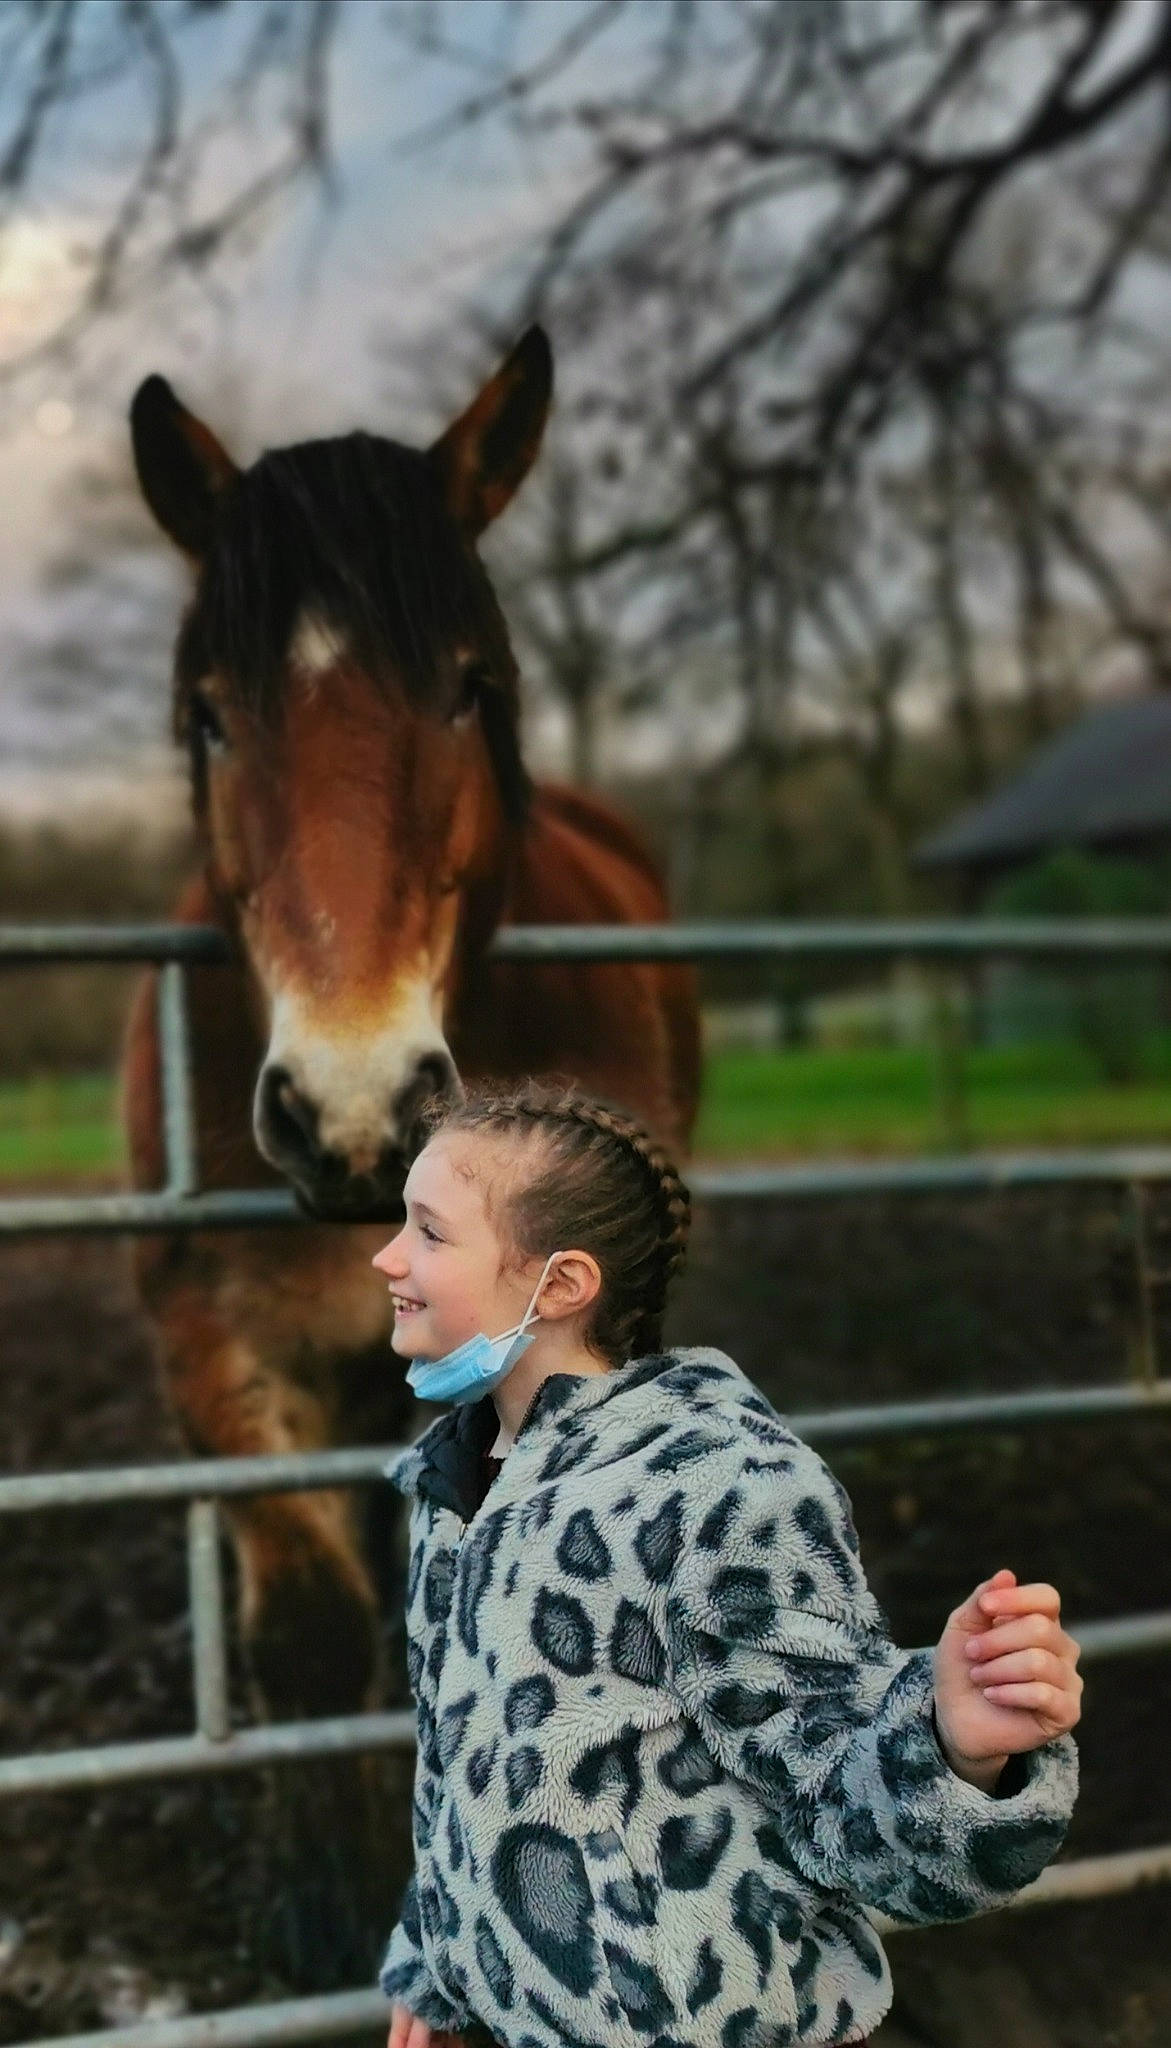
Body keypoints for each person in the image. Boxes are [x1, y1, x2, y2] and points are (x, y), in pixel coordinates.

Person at [371, 1082, 1081, 2048]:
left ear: (562, 1284)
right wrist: (438, 1954)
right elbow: (466, 1763)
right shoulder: (455, 1486)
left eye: (429, 1233)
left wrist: (958, 1751)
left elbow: (832, 1788)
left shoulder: (720, 1489)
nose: (387, 1257)